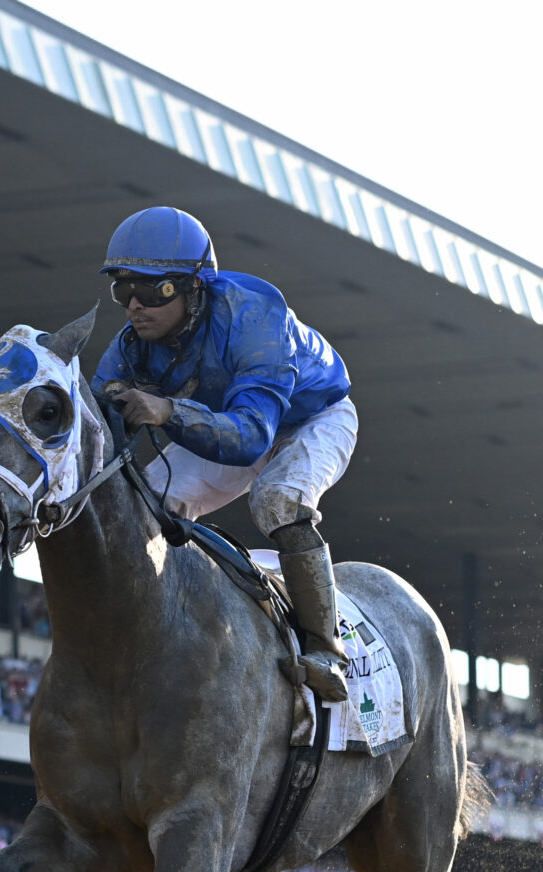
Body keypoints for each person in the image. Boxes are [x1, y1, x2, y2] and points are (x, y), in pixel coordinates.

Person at [93, 206, 356, 701]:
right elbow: (91, 428)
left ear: (193, 287)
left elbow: (254, 437)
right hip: (226, 420)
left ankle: (325, 650)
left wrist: (167, 411)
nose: (134, 306)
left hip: (309, 419)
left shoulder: (255, 315)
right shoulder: (131, 344)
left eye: (151, 291)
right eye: (122, 290)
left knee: (277, 499)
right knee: (147, 500)